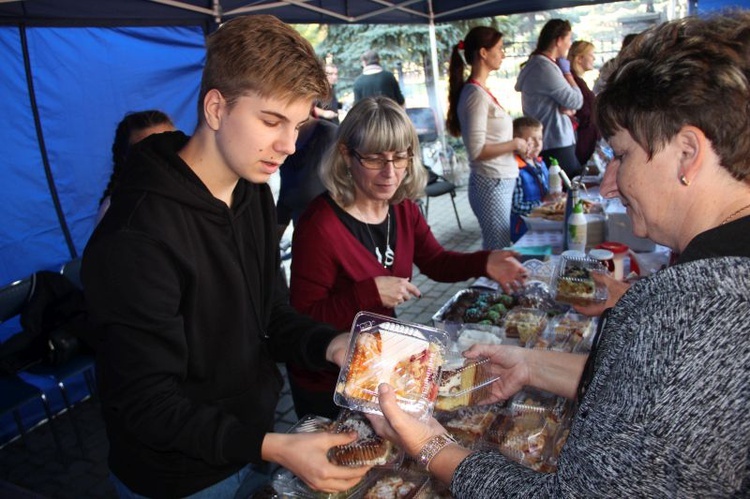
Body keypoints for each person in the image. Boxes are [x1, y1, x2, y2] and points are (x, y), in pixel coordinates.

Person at [369, 12, 750, 497]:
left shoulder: (689, 314)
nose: (609, 182)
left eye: (623, 155)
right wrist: (534, 366)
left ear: (688, 153)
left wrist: (432, 446)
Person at [81, 15, 373, 498]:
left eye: (297, 125)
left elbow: (270, 314)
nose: (289, 145)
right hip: (177, 478)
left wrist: (332, 344)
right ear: (216, 108)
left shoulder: (251, 189)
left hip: (248, 442)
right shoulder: (135, 236)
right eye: (272, 121)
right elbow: (145, 403)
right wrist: (273, 446)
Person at [287, 96, 528, 419]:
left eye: (399, 157)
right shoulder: (320, 225)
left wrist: (485, 262)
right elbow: (303, 319)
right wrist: (370, 292)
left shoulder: (401, 208)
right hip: (329, 384)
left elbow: (436, 261)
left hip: (381, 366)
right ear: (346, 155)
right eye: (374, 159)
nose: (390, 172)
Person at [446, 26, 528, 250]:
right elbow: (477, 151)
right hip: (491, 182)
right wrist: (515, 143)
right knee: (497, 249)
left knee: (499, 245)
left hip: (499, 180)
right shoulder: (475, 95)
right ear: (483, 53)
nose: (503, 54)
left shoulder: (480, 92)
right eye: (499, 48)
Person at [515, 19, 583, 179]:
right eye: (569, 39)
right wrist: (567, 74)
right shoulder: (544, 67)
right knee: (568, 191)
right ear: (559, 41)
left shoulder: (542, 65)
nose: (570, 44)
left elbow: (569, 105)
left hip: (552, 140)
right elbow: (576, 101)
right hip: (555, 142)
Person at [96, 110, 175, 223]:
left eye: (169, 144)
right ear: (125, 158)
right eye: (147, 150)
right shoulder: (115, 209)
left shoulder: (195, 192)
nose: (162, 156)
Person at [276, 117, 338, 242]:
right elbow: (287, 192)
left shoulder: (331, 135)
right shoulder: (281, 137)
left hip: (329, 235)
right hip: (302, 235)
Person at [509, 117, 550, 242]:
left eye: (540, 139)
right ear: (517, 142)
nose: (538, 144)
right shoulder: (515, 169)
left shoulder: (539, 163)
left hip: (542, 224)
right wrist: (544, 204)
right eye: (531, 140)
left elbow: (545, 192)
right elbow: (515, 206)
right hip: (523, 230)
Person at [567, 40, 601, 167]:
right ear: (580, 58)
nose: (594, 58)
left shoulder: (579, 81)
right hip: (582, 139)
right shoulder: (573, 81)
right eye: (591, 54)